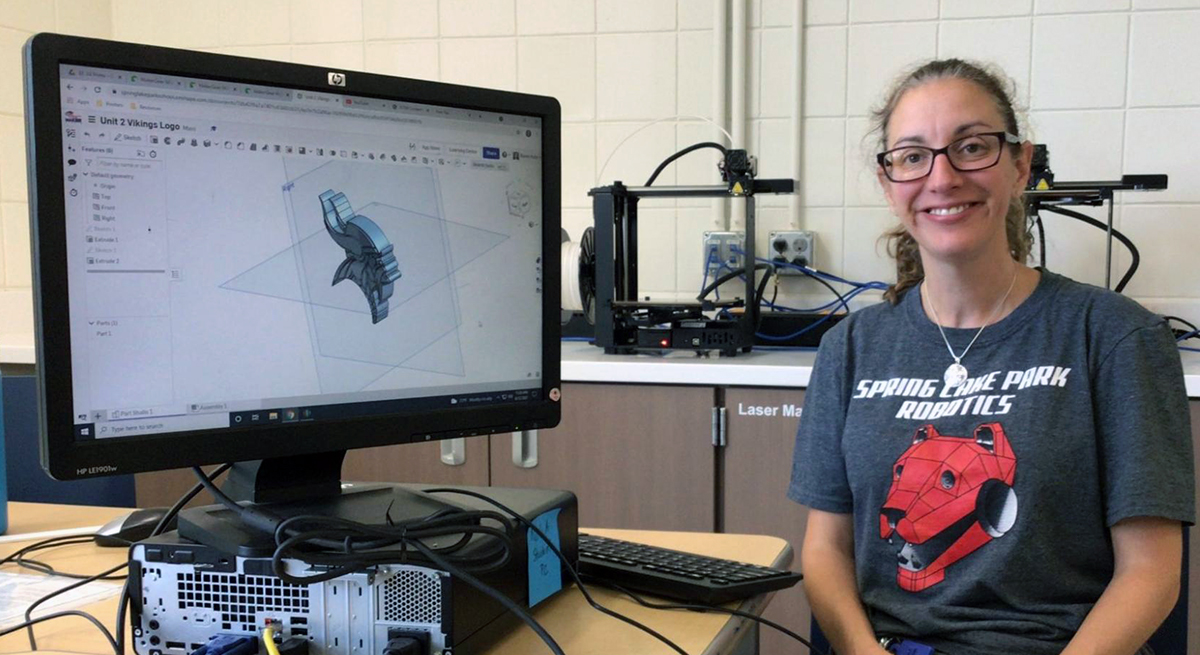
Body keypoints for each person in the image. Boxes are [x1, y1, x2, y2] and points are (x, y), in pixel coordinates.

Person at [788, 58, 1194, 655]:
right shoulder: (851, 347)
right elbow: (827, 549)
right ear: (889, 182)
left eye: (972, 146)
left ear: (1021, 164)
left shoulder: (1113, 336)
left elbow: (1151, 572)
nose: (943, 177)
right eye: (912, 155)